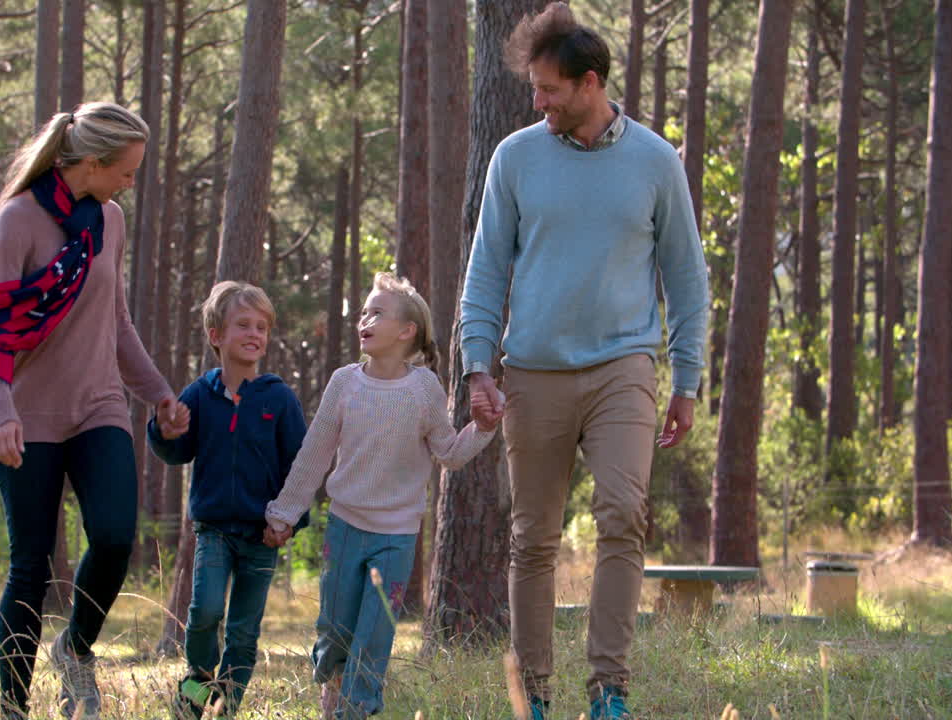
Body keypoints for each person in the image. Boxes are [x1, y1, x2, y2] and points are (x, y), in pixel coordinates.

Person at [459, 5, 709, 719]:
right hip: (532, 371)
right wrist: (479, 365)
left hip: (624, 366)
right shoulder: (515, 157)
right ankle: (534, 695)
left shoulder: (656, 163)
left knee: (623, 514)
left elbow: (688, 282)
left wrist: (686, 381)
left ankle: (609, 691)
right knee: (533, 536)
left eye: (548, 90)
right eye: (533, 90)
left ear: (590, 83)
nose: (536, 103)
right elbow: (485, 272)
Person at [0, 101, 190, 720]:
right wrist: (0, 413)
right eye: (127, 171)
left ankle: (75, 647)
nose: (130, 185)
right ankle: (13, 707)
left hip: (98, 405)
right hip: (27, 416)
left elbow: (116, 324)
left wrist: (160, 392)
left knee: (114, 535)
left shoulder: (107, 222)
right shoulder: (18, 220)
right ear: (90, 163)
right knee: (30, 568)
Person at [265, 272, 503, 720]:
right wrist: (284, 512)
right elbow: (314, 454)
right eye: (362, 312)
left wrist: (483, 430)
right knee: (334, 629)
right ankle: (332, 686)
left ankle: (356, 709)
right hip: (344, 526)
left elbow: (449, 454)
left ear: (406, 330)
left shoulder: (424, 389)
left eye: (377, 312)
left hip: (396, 536)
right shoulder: (344, 382)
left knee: (375, 634)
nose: (364, 319)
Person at [148, 280, 309, 720]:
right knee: (204, 612)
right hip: (214, 530)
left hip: (262, 536)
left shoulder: (279, 399)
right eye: (243, 324)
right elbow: (176, 450)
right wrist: (163, 430)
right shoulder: (199, 396)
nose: (255, 333)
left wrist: (291, 519)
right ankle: (194, 693)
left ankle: (224, 710)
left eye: (262, 326)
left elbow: (301, 467)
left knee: (242, 633)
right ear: (216, 335)